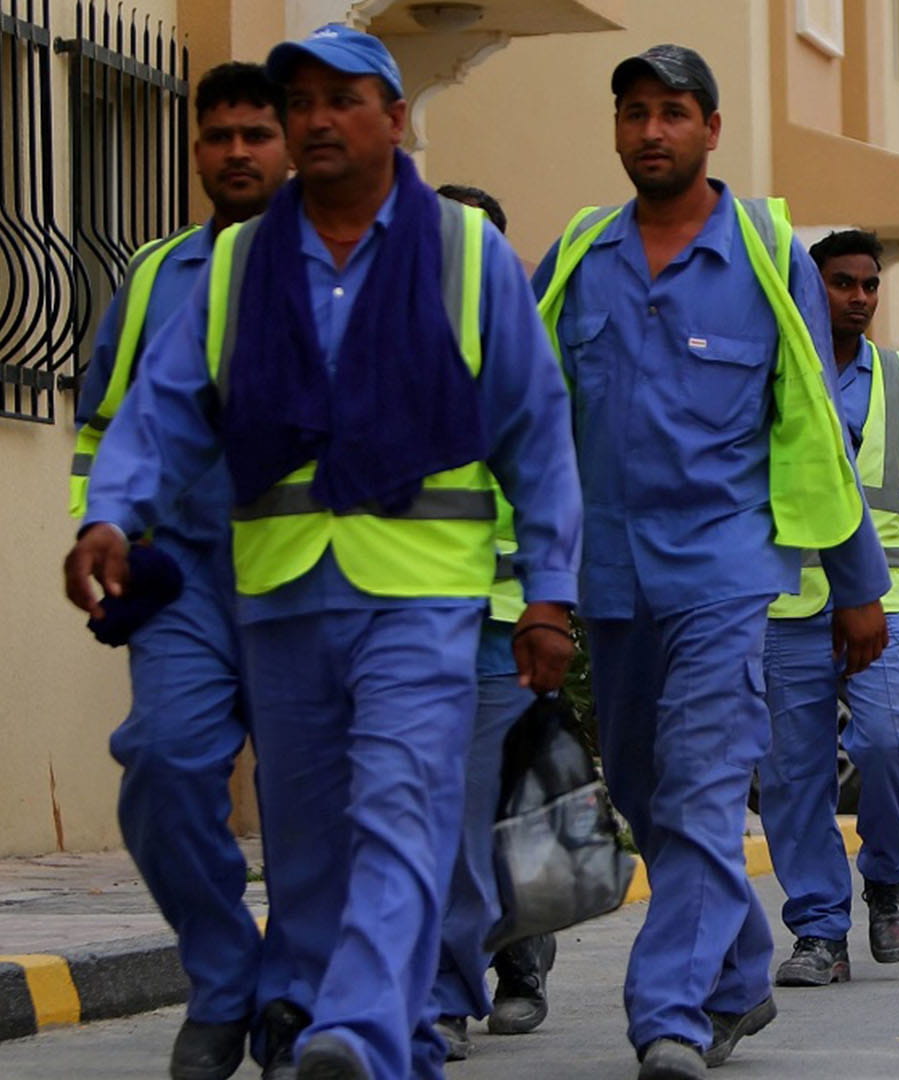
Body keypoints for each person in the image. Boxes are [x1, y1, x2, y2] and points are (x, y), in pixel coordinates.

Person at [65, 26, 582, 1080]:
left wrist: (549, 595)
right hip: (281, 593)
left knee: (397, 811)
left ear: (396, 118)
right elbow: (157, 414)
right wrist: (109, 516)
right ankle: (322, 1016)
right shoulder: (237, 264)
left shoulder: (462, 253)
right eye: (301, 101)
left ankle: (354, 1026)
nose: (315, 120)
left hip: (421, 597)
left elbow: (538, 433)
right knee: (305, 848)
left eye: (342, 99)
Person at [531, 45, 890, 1079]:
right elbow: (532, 421)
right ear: (617, 129)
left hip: (725, 575)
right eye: (635, 112)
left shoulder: (770, 254)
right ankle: (736, 968)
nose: (652, 131)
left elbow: (812, 427)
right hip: (608, 578)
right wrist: (534, 584)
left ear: (712, 129)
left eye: (674, 112)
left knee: (696, 790)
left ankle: (670, 1017)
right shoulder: (579, 255)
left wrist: (856, 585)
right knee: (643, 788)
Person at [64, 61, 290, 1080]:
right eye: (219, 136)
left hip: (309, 576)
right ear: (196, 149)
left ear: (290, 146)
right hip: (185, 579)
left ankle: (298, 995)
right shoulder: (157, 276)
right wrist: (102, 528)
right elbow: (106, 426)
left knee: (310, 804)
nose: (236, 152)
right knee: (161, 761)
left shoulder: (335, 265)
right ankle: (222, 979)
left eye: (256, 134)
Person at [757, 229, 899, 988]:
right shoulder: (775, 367)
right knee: (792, 774)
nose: (857, 297)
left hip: (888, 599)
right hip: (786, 600)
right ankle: (818, 929)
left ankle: (885, 877)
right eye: (841, 283)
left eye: (869, 285)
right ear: (813, 288)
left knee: (886, 745)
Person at [424, 184, 556, 1061]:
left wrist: (548, 603)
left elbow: (552, 482)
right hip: (411, 610)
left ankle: (480, 975)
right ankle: (466, 972)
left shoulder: (528, 353)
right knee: (440, 807)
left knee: (483, 803)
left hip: (508, 620)